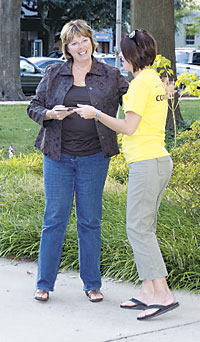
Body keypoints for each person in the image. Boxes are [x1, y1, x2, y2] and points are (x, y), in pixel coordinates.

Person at [75, 29, 179, 319]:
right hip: (157, 160)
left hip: (147, 163)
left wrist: (95, 114)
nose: (120, 59)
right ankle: (148, 291)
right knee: (145, 227)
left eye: (123, 55)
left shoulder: (140, 85)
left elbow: (128, 127)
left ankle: (163, 295)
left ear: (133, 56)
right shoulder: (153, 79)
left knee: (138, 228)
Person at [27, 19, 128, 303]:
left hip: (94, 157)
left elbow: (135, 101)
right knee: (54, 218)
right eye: (74, 43)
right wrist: (50, 114)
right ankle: (44, 283)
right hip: (57, 156)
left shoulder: (110, 74)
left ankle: (92, 284)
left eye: (84, 40)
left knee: (90, 221)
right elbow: (33, 106)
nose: (80, 46)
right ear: (67, 48)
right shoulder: (54, 72)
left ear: (92, 41)